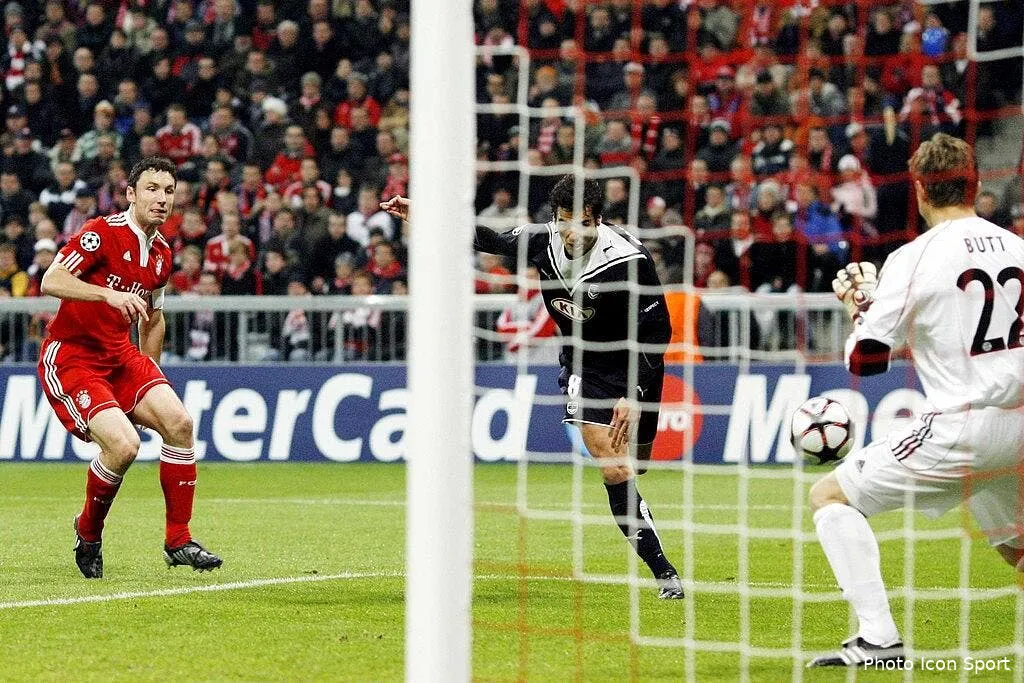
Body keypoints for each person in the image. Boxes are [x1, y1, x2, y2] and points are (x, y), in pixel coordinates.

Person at [381, 175, 683, 599]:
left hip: (635, 362)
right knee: (614, 467)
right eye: (562, 222)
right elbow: (485, 237)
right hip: (584, 364)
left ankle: (643, 510)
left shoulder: (630, 260)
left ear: (597, 219)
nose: (569, 232)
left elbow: (658, 332)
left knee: (642, 463)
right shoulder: (544, 241)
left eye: (579, 223)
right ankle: (665, 573)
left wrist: (633, 395)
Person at [807, 134, 1024, 666]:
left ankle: (878, 639)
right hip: (1022, 424)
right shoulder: (1019, 248)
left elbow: (868, 362)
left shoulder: (914, 256)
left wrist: (861, 307)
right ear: (975, 184)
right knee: (1017, 547)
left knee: (830, 496)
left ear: (921, 190)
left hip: (964, 426)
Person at [38, 156, 222, 579]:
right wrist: (106, 296)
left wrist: (148, 379)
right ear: (131, 194)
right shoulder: (101, 233)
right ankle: (88, 531)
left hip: (122, 358)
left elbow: (153, 319)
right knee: (123, 448)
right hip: (72, 357)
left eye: (169, 191)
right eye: (152, 189)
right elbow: (52, 281)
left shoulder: (161, 253)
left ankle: (179, 540)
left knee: (179, 422)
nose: (161, 199)